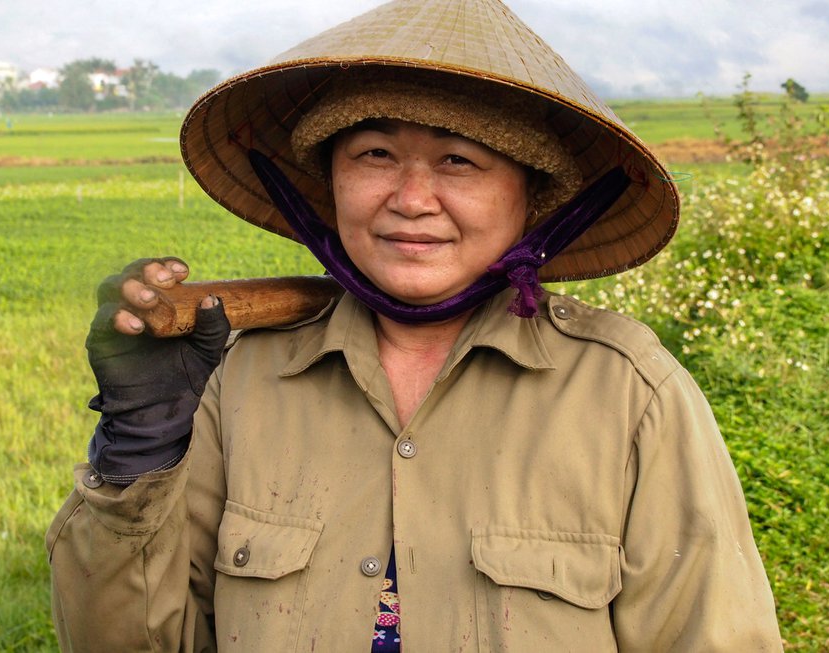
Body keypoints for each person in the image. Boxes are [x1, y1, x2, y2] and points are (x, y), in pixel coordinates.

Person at [47, 0, 784, 650]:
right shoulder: (243, 379)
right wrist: (138, 446)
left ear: (528, 199)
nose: (411, 198)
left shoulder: (627, 393)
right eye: (374, 154)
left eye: (460, 161)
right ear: (330, 178)